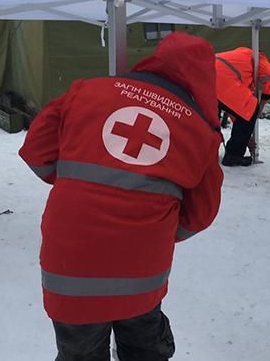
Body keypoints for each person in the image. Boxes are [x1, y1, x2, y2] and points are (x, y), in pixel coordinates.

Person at [19, 32, 223, 360]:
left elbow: (35, 152)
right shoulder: (200, 131)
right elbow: (202, 213)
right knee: (146, 349)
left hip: (70, 264)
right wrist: (161, 228)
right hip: (142, 271)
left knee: (79, 354)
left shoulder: (86, 90)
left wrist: (79, 182)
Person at [215, 47, 270, 167]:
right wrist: (263, 103)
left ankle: (207, 152)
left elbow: (235, 109)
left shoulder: (239, 59)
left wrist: (245, 137)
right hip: (222, 80)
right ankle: (234, 156)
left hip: (204, 78)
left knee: (209, 120)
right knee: (252, 109)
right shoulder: (258, 58)